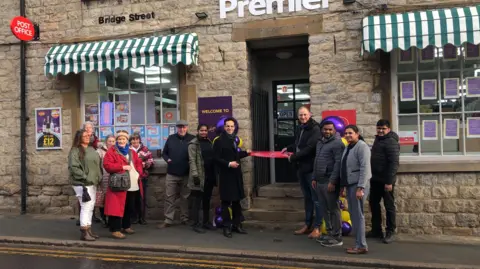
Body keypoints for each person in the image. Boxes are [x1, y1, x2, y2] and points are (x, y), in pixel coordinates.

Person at [281, 106, 321, 239]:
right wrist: (288, 148)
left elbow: (309, 148)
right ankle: (307, 225)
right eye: (300, 115)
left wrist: (293, 157)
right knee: (307, 198)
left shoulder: (316, 129)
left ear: (310, 114)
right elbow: (298, 144)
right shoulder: (300, 128)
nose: (302, 117)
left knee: (316, 199)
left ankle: (317, 227)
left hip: (311, 170)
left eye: (304, 114)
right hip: (301, 169)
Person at [213, 117, 251, 238]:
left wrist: (246, 153)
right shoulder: (219, 141)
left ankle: (237, 225)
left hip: (236, 175)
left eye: (232, 126)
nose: (230, 128)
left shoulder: (234, 139)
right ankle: (226, 227)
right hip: (226, 175)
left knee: (236, 201)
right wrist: (229, 164)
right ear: (224, 127)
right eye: (227, 126)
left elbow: (236, 154)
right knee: (226, 202)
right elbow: (216, 158)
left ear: (234, 127)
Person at [103, 130, 144, 239]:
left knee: (129, 206)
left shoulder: (132, 152)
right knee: (116, 207)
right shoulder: (111, 151)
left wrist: (139, 173)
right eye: (119, 139)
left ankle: (126, 226)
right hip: (118, 183)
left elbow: (138, 163)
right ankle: (115, 229)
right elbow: (107, 165)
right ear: (117, 140)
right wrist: (121, 167)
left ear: (127, 140)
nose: (121, 141)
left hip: (132, 183)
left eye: (124, 139)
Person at [312, 121, 345, 247]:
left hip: (329, 182)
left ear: (335, 130)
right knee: (324, 209)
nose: (327, 132)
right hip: (319, 181)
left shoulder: (337, 143)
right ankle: (330, 233)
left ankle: (337, 236)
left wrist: (333, 181)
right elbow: (316, 160)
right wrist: (314, 177)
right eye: (325, 129)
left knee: (333, 209)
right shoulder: (320, 142)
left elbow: (338, 164)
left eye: (330, 129)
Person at [340, 125, 371, 254]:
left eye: (350, 133)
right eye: (346, 133)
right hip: (350, 185)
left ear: (357, 134)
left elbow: (365, 168)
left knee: (358, 216)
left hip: (358, 186)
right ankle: (358, 244)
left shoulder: (362, 147)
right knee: (354, 215)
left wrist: (361, 188)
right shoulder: (348, 147)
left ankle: (361, 246)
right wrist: (343, 186)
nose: (347, 135)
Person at [159, 120, 195, 228]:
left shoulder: (192, 139)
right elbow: (164, 153)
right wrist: (168, 160)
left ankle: (185, 218)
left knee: (185, 197)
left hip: (186, 173)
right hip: (172, 173)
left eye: (184, 127)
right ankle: (168, 219)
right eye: (180, 127)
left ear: (187, 128)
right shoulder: (171, 138)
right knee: (169, 197)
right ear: (177, 128)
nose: (182, 129)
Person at [369, 119, 400, 244]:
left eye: (383, 128)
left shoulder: (391, 142)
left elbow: (394, 164)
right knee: (374, 204)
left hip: (386, 181)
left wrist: (389, 182)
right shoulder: (378, 140)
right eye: (379, 128)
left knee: (389, 206)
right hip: (375, 179)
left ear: (388, 129)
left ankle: (390, 231)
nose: (381, 131)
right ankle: (376, 230)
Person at [68, 129, 102, 241]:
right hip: (82, 183)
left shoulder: (92, 149)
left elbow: (97, 165)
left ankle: (88, 229)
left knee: (91, 206)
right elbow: (74, 167)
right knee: (85, 207)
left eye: (88, 135)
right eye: (85, 136)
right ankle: (84, 232)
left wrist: (99, 176)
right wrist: (85, 177)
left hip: (93, 182)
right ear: (79, 138)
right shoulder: (75, 151)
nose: (88, 137)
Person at [187, 124, 216, 233]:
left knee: (206, 200)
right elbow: (192, 161)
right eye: (201, 130)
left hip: (209, 175)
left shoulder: (209, 142)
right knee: (197, 201)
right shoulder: (193, 144)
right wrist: (195, 175)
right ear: (198, 131)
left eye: (205, 130)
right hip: (199, 177)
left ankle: (206, 222)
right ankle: (196, 223)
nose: (204, 132)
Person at [75, 122, 100, 227]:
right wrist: (84, 177)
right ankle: (84, 228)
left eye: (90, 128)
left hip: (92, 178)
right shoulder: (76, 149)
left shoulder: (93, 144)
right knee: (85, 204)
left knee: (90, 204)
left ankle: (88, 225)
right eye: (87, 128)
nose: (89, 130)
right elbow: (74, 167)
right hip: (83, 179)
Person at [129, 132, 154, 225]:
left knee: (142, 198)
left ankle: (142, 217)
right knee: (132, 198)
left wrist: (144, 164)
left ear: (139, 140)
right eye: (133, 139)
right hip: (131, 177)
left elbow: (151, 161)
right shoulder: (128, 150)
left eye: (136, 139)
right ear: (130, 141)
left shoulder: (145, 149)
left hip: (142, 177)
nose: (135, 141)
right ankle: (133, 217)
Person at [96, 134, 116, 228]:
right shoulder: (100, 151)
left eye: (113, 141)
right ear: (106, 142)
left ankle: (111, 219)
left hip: (114, 177)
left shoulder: (117, 151)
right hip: (103, 177)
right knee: (103, 199)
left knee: (111, 199)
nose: (111, 143)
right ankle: (104, 218)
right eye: (109, 141)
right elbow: (96, 165)